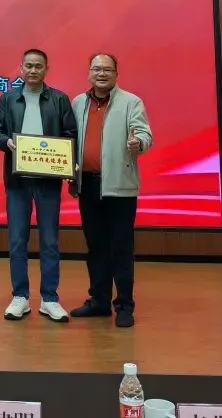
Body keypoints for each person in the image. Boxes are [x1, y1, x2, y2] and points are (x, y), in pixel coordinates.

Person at [0, 48, 78, 324]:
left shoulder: (59, 99)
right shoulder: (8, 98)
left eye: (38, 66)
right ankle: (20, 296)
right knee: (17, 240)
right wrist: (7, 142)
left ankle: (49, 298)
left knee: (50, 241)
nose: (33, 70)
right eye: (28, 65)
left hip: (48, 181)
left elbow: (70, 135)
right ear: (21, 68)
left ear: (46, 69)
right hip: (17, 181)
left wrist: (68, 162)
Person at [69, 53, 153, 328]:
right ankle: (99, 301)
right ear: (89, 72)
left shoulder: (131, 102)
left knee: (120, 248)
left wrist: (138, 143)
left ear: (116, 74)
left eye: (107, 69)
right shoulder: (78, 103)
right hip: (87, 185)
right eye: (96, 69)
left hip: (119, 187)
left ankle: (125, 306)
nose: (101, 74)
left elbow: (145, 134)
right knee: (95, 247)